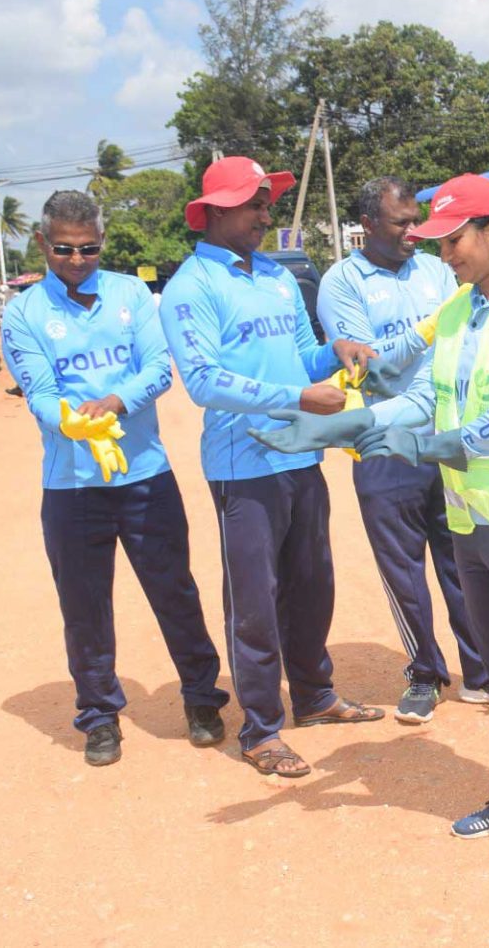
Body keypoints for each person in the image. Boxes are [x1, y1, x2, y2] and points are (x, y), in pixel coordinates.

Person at [253, 174, 489, 890]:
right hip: (473, 515)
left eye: (454, 240)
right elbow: (423, 398)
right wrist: (343, 425)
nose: (445, 254)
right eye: (438, 242)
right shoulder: (461, 307)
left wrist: (427, 447)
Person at [158, 156, 383, 778]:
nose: (265, 215)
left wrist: (335, 352)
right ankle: (260, 729)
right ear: (215, 211)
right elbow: (204, 382)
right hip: (244, 465)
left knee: (313, 585)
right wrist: (297, 399)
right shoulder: (192, 287)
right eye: (253, 204)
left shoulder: (278, 276)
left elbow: (300, 356)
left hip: (301, 454)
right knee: (255, 601)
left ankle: (314, 694)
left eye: (266, 203)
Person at [0, 190, 229, 767]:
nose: (77, 260)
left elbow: (158, 370)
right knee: (84, 608)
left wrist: (116, 402)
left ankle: (202, 698)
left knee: (175, 592)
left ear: (102, 241)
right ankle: (99, 716)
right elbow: (39, 392)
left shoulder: (130, 294)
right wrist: (73, 422)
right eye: (64, 249)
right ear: (42, 242)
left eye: (89, 248)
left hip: (145, 476)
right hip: (72, 486)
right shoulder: (24, 314)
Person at [316, 176, 489, 724]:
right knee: (403, 568)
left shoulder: (436, 271)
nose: (414, 232)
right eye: (401, 223)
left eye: (417, 221)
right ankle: (424, 672)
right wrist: (423, 333)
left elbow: (462, 340)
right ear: (368, 225)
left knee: (463, 557)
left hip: (444, 435)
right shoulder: (341, 283)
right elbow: (368, 364)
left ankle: (482, 670)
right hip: (386, 443)